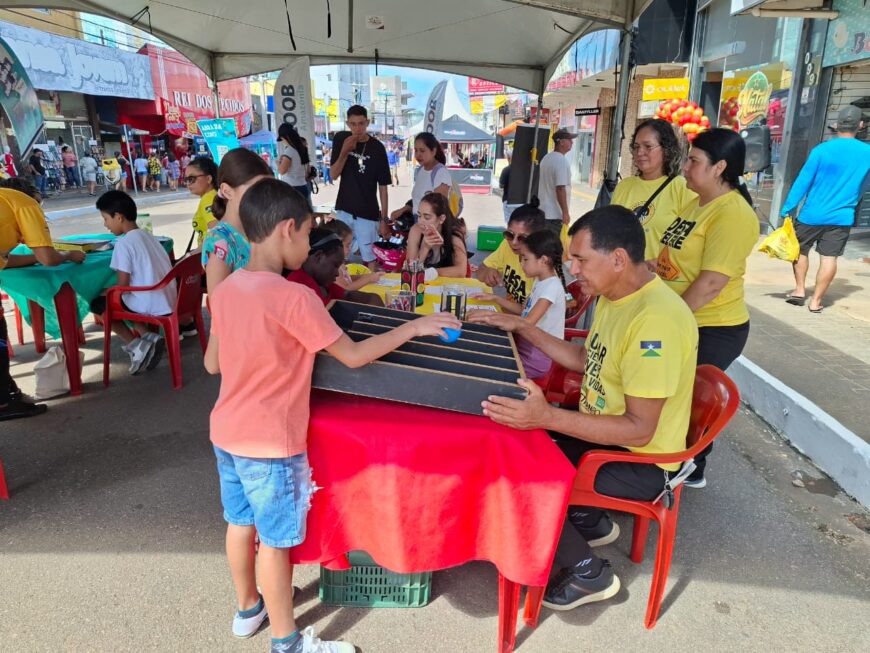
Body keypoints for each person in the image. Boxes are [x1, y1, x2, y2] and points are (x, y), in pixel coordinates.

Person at [204, 180, 456, 653]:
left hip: (227, 432)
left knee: (240, 524)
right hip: (270, 442)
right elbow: (354, 356)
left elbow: (212, 364)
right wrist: (417, 326)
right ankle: (287, 642)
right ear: (286, 230)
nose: (308, 247)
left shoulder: (228, 288)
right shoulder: (293, 297)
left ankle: (248, 610)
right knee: (276, 544)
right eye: (305, 237)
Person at [468, 205, 697, 612]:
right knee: (510, 437)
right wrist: (524, 327)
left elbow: (639, 430)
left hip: (640, 460)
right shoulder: (614, 293)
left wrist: (547, 417)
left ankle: (589, 572)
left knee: (518, 471)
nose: (571, 269)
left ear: (619, 258)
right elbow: (586, 358)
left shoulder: (655, 321)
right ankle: (590, 520)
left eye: (580, 259)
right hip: (603, 433)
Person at [656, 127, 759, 488]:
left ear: (720, 168)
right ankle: (665, 461)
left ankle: (688, 467)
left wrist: (669, 321)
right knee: (669, 391)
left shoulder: (733, 214)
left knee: (687, 399)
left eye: (694, 161)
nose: (685, 167)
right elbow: (674, 258)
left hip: (712, 326)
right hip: (681, 316)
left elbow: (711, 283)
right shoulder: (694, 201)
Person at [0, 181, 85, 421]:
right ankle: (4, 402)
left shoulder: (4, 201)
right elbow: (48, 258)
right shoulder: (24, 203)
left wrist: (35, 259)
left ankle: (6, 393)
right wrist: (68, 255)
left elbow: (6, 261)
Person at [780, 105, 870, 313]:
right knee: (829, 258)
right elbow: (866, 184)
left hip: (811, 214)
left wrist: (788, 208)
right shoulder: (867, 153)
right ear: (861, 125)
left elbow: (803, 181)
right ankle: (816, 302)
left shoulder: (821, 150)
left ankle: (800, 290)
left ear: (837, 125)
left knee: (801, 250)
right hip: (842, 217)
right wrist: (854, 198)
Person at [88, 191, 174, 375]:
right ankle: (146, 335)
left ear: (118, 217)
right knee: (113, 299)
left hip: (148, 301)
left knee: (99, 303)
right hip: (168, 297)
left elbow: (123, 285)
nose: (105, 225)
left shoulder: (124, 243)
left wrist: (105, 291)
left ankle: (136, 345)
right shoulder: (149, 236)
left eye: (105, 219)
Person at [478, 229, 566, 379]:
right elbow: (522, 310)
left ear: (543, 260)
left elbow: (527, 323)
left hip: (538, 356)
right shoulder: (540, 280)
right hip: (526, 345)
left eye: (525, 259)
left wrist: (490, 317)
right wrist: (495, 299)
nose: (521, 263)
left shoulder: (552, 287)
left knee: (490, 371)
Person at [612, 119, 695, 260]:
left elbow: (692, 244)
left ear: (666, 149)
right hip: (622, 276)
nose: (640, 152)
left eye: (648, 146)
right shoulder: (624, 186)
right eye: (636, 146)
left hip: (660, 279)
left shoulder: (682, 188)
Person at [330, 105, 392, 271]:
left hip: (368, 211)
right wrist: (344, 151)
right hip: (344, 207)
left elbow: (383, 186)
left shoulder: (377, 148)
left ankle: (369, 287)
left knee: (370, 256)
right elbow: (333, 174)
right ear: (347, 124)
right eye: (353, 124)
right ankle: (342, 288)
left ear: (368, 122)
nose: (357, 128)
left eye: (361, 123)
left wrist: (384, 219)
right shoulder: (341, 139)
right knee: (339, 254)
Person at [202, 148, 271, 295]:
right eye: (254, 190)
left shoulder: (261, 228)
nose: (263, 198)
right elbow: (218, 303)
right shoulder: (219, 241)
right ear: (227, 191)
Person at [286, 228, 384, 307]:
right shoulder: (300, 285)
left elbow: (346, 295)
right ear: (318, 257)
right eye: (335, 265)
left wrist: (372, 298)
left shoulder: (320, 282)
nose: (337, 273)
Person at [476, 201, 546, 305]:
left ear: (537, 238)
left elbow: (528, 314)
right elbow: (480, 271)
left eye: (522, 238)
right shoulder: (506, 245)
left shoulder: (542, 264)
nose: (513, 242)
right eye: (510, 234)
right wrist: (488, 272)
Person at [405, 192, 468, 279]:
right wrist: (424, 248)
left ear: (441, 219)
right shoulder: (416, 231)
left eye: (427, 217)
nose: (421, 221)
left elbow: (461, 271)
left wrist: (433, 272)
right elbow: (409, 271)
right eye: (419, 216)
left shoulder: (454, 236)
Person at [320, 219, 383, 290]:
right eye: (347, 245)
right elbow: (345, 289)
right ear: (333, 246)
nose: (350, 248)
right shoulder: (333, 267)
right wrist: (367, 279)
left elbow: (347, 279)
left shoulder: (339, 264)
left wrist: (365, 276)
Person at [538, 128, 577, 236]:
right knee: (553, 248)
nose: (572, 142)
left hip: (543, 212)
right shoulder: (561, 161)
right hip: (554, 215)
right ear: (561, 142)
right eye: (569, 140)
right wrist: (565, 213)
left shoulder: (546, 158)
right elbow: (560, 188)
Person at [185, 156, 219, 250]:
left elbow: (216, 234)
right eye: (186, 180)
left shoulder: (208, 198)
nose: (188, 183)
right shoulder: (214, 195)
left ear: (208, 179)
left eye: (191, 178)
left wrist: (193, 254)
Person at [277, 123, 312, 203]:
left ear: (286, 137)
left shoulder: (289, 150)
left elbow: (282, 171)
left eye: (282, 139)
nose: (282, 141)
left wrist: (278, 163)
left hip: (292, 188)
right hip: (303, 186)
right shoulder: (302, 149)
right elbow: (307, 170)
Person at [499, 152, 523, 224]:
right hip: (521, 201)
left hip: (508, 200)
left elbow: (501, 185)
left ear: (509, 158)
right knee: (520, 223)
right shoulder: (523, 171)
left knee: (510, 223)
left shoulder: (506, 170)